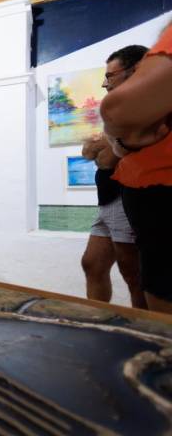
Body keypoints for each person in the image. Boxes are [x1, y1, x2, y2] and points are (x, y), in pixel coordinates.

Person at [101, 16, 172, 312]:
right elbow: (110, 149)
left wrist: (121, 140)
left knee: (157, 292)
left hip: (160, 188)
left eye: (110, 76)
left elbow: (118, 112)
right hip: (144, 192)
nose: (105, 83)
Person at [80, 45, 148, 309]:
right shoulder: (118, 109)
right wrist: (103, 147)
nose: (104, 83)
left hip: (129, 197)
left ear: (133, 71)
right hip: (108, 198)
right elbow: (88, 151)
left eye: (110, 75)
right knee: (92, 263)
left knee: (132, 273)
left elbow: (107, 157)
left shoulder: (145, 106)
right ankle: (99, 320)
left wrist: (104, 147)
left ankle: (141, 331)